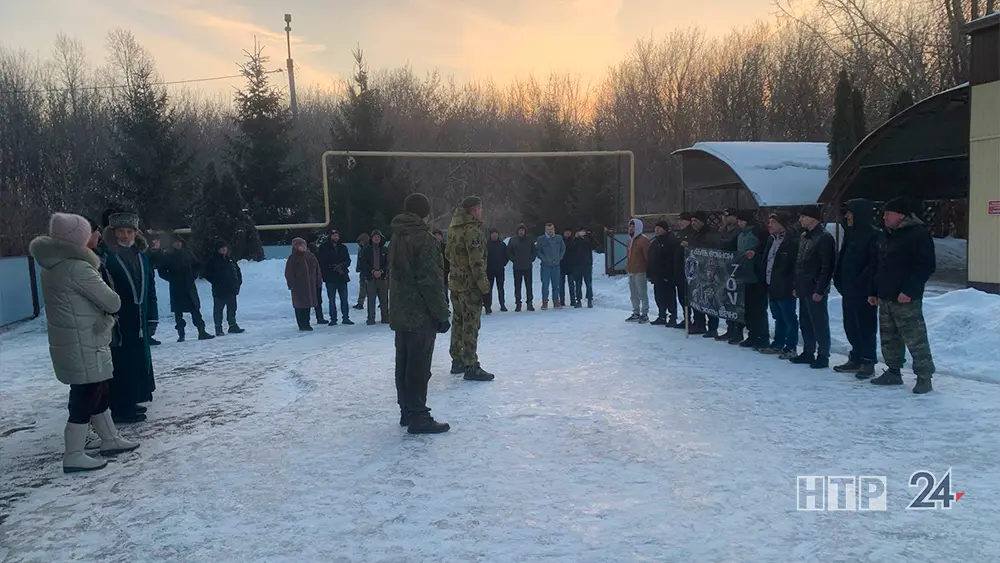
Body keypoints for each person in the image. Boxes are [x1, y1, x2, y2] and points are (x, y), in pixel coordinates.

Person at [30, 213, 140, 473]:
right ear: (77, 237)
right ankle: (74, 453)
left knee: (95, 388)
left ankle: (110, 439)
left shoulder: (52, 264)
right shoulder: (77, 268)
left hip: (73, 339)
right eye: (91, 231)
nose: (98, 235)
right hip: (84, 339)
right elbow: (112, 301)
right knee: (86, 394)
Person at [388, 193, 452, 433]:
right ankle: (418, 415)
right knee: (418, 365)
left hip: (401, 313)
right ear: (424, 213)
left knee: (404, 363)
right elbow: (431, 281)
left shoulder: (397, 236)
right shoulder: (423, 239)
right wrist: (441, 314)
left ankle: (406, 410)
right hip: (419, 314)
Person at [869, 197, 936, 393]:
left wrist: (909, 290)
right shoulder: (887, 235)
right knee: (889, 337)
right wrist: (874, 291)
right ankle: (893, 371)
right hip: (886, 296)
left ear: (901, 215)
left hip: (906, 298)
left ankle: (924, 376)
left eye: (888, 214)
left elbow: (926, 266)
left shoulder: (918, 234)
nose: (884, 217)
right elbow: (879, 265)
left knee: (915, 337)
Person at [101, 211, 158, 424]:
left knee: (137, 360)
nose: (125, 236)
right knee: (121, 362)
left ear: (136, 233)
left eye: (129, 232)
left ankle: (133, 399)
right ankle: (120, 406)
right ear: (113, 233)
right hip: (119, 319)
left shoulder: (142, 256)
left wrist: (152, 317)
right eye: (121, 232)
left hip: (139, 318)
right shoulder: (107, 258)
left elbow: (150, 288)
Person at [445, 196, 495, 381]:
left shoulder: (453, 228)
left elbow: (448, 254)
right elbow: (476, 261)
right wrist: (484, 286)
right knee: (471, 324)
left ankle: (457, 359)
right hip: (470, 285)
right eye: (480, 208)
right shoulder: (472, 230)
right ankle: (471, 364)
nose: (481, 211)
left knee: (458, 321)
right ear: (474, 210)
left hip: (456, 283)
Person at [832, 199, 881, 378]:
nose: (847, 216)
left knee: (866, 327)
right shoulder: (851, 234)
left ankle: (868, 361)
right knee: (850, 325)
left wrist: (868, 287)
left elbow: (874, 264)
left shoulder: (874, 235)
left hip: (864, 290)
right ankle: (856, 357)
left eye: (850, 212)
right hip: (848, 288)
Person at [790, 205, 836, 369]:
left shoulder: (824, 238)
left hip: (815, 286)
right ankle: (808, 351)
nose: (800, 220)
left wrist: (820, 289)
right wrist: (796, 284)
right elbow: (799, 262)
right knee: (805, 320)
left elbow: (827, 266)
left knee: (819, 322)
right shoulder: (804, 236)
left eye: (803, 216)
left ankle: (823, 354)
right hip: (804, 285)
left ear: (813, 218)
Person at [157, 236, 214, 342]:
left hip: (189, 286)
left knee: (195, 310)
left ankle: (202, 331)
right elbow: (161, 271)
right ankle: (181, 334)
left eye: (179, 242)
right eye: (176, 243)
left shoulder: (187, 253)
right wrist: (171, 279)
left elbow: (197, 265)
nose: (178, 244)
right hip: (176, 287)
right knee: (178, 313)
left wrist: (194, 275)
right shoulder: (168, 255)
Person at [761, 212, 799, 358]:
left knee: (789, 317)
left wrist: (793, 284)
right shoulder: (771, 240)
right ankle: (778, 343)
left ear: (782, 224)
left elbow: (795, 265)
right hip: (772, 283)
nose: (769, 225)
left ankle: (791, 347)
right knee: (778, 316)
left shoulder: (792, 242)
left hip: (786, 285)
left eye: (773, 222)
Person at [735, 210, 770, 349]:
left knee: (759, 309)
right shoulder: (741, 234)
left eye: (741, 221)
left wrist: (755, 255)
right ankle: (752, 334)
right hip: (745, 275)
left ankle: (763, 336)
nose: (739, 223)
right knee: (748, 308)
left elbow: (765, 251)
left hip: (757, 276)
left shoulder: (758, 233)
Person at [202, 240, 245, 336]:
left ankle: (232, 325)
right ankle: (218, 328)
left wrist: (238, 282)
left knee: (232, 308)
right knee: (218, 310)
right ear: (218, 250)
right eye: (222, 248)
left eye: (225, 247)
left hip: (231, 289)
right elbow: (206, 274)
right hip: (219, 290)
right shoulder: (212, 260)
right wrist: (216, 282)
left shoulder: (230, 259)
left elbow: (237, 271)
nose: (224, 249)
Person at [714, 208, 743, 342]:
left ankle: (738, 331)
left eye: (728, 216)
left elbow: (727, 244)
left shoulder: (738, 231)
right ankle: (730, 328)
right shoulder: (723, 230)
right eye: (724, 216)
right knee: (726, 300)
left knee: (735, 301)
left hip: (736, 269)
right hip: (724, 270)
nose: (725, 219)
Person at [316, 228, 354, 326]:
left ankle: (346, 318)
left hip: (342, 276)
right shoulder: (324, 248)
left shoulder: (343, 247)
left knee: (344, 299)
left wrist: (341, 266)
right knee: (331, 299)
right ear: (330, 236)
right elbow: (321, 261)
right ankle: (333, 319)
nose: (335, 237)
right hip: (330, 277)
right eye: (334, 235)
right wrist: (332, 267)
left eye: (337, 235)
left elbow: (348, 260)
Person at [647, 220, 681, 326]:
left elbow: (673, 259)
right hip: (657, 275)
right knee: (659, 296)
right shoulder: (655, 242)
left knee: (669, 297)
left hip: (667, 275)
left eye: (660, 228)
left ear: (665, 229)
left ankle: (672, 317)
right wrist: (649, 273)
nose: (657, 230)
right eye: (656, 228)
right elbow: (651, 258)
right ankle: (662, 316)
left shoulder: (671, 241)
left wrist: (669, 274)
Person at [285, 238, 323, 331]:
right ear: (296, 247)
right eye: (301, 246)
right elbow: (289, 273)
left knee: (307, 305)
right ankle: (301, 324)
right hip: (299, 286)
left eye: (304, 245)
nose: (303, 247)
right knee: (299, 305)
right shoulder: (292, 258)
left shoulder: (310, 256)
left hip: (311, 286)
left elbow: (317, 269)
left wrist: (318, 280)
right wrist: (292, 284)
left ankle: (307, 323)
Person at [358, 229, 390, 325]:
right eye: (375, 237)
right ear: (371, 238)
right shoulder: (366, 250)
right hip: (370, 278)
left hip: (382, 277)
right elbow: (363, 263)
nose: (376, 239)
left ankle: (385, 317)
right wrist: (372, 271)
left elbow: (388, 263)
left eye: (378, 237)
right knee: (371, 299)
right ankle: (371, 318)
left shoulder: (385, 249)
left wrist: (381, 271)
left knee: (384, 299)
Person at [625, 218, 651, 323]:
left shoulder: (644, 240)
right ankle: (636, 312)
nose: (631, 228)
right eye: (630, 226)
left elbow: (647, 256)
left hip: (640, 270)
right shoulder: (629, 240)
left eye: (633, 226)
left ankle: (645, 314)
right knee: (633, 293)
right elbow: (628, 256)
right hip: (631, 270)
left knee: (642, 293)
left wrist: (649, 270)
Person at [535, 222, 566, 310]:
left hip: (556, 266)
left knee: (556, 285)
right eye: (548, 229)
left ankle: (556, 301)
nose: (550, 231)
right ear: (545, 230)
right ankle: (545, 302)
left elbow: (563, 248)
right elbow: (538, 251)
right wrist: (544, 259)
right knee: (545, 284)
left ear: (554, 229)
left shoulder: (558, 238)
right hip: (545, 266)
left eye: (551, 229)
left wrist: (560, 257)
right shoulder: (541, 239)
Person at [507, 224, 537, 311]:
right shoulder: (513, 240)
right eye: (520, 230)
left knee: (529, 286)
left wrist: (531, 259)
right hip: (517, 267)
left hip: (527, 266)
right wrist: (514, 259)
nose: (521, 232)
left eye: (523, 230)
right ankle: (518, 304)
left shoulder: (529, 239)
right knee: (517, 287)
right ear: (517, 231)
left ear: (525, 231)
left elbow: (534, 251)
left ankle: (529, 303)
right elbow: (509, 252)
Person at [569, 227, 597, 308]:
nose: (581, 233)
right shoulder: (575, 240)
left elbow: (595, 245)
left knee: (588, 283)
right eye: (580, 232)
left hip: (587, 264)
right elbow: (571, 248)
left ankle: (589, 299)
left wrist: (590, 236)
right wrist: (575, 238)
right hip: (577, 265)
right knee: (578, 283)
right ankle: (578, 300)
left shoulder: (588, 239)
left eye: (583, 232)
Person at [484, 228, 509, 313]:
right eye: (493, 234)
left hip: (500, 270)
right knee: (488, 289)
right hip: (489, 270)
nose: (494, 236)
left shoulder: (502, 245)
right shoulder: (486, 245)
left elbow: (507, 255)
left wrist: (503, 263)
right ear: (490, 235)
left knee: (500, 288)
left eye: (496, 234)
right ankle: (488, 306)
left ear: (498, 235)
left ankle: (502, 305)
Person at [306, 234, 328, 325]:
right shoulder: (313, 252)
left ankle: (313, 319)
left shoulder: (313, 251)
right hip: (313, 279)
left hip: (314, 279)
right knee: (316, 299)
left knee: (314, 299)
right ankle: (319, 317)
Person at [559, 227, 576, 307]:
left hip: (571, 266)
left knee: (571, 284)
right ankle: (562, 301)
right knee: (561, 284)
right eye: (566, 232)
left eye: (569, 232)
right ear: (564, 233)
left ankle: (573, 300)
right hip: (561, 265)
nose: (567, 233)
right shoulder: (560, 240)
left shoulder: (573, 240)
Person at [353, 232, 370, 310]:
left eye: (362, 241)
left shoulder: (368, 248)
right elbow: (359, 260)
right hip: (363, 271)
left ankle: (361, 302)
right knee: (362, 287)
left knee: (372, 288)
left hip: (369, 271)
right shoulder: (361, 249)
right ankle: (360, 302)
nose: (361, 243)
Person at [433, 229, 450, 303]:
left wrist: (447, 269)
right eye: (435, 235)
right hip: (434, 273)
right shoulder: (430, 247)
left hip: (444, 272)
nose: (437, 237)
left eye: (439, 235)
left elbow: (448, 259)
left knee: (444, 291)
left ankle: (446, 304)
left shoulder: (445, 247)